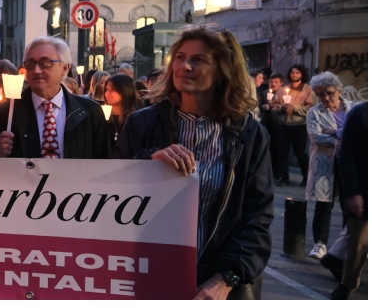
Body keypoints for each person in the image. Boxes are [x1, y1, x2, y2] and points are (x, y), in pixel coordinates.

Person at [114, 24, 272, 300]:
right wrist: (148, 163)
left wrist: (224, 281)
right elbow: (110, 193)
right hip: (147, 274)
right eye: (180, 56)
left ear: (223, 70)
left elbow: (257, 220)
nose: (184, 66)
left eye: (198, 60)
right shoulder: (142, 123)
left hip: (214, 286)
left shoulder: (250, 135)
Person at [0, 36, 111, 159]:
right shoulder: (7, 113)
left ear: (64, 68)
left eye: (45, 63)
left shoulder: (89, 112)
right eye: (30, 64)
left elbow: (103, 163)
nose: (36, 70)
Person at [304, 72, 357, 260]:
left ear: (339, 90)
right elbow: (316, 136)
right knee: (323, 203)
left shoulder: (353, 109)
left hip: (349, 162)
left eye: (329, 93)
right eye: (320, 94)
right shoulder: (314, 112)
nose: (325, 98)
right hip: (324, 162)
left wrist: (335, 131)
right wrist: (344, 138)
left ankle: (350, 243)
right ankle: (320, 243)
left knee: (348, 202)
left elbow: (361, 134)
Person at [331, 102, 367, 299]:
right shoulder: (361, 113)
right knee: (358, 244)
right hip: (364, 191)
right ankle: (347, 285)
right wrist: (353, 193)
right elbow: (346, 155)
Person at [270, 64, 314, 187]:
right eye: (292, 72)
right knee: (282, 153)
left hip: (299, 125)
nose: (294, 75)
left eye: (297, 73)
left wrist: (294, 108)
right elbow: (274, 105)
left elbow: (310, 108)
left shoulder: (307, 90)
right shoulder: (283, 90)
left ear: (302, 75)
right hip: (284, 125)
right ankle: (284, 178)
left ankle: (306, 178)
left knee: (300, 153)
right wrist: (280, 108)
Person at [103, 74, 143, 149]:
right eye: (106, 89)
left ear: (125, 90)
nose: (108, 93)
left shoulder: (137, 119)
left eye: (113, 89)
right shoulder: (103, 117)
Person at [263, 73, 285, 183]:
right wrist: (264, 106)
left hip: (280, 124)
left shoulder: (284, 94)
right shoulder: (265, 93)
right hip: (268, 124)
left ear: (282, 83)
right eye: (272, 81)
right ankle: (271, 171)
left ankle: (280, 173)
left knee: (280, 149)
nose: (273, 84)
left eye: (276, 82)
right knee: (270, 149)